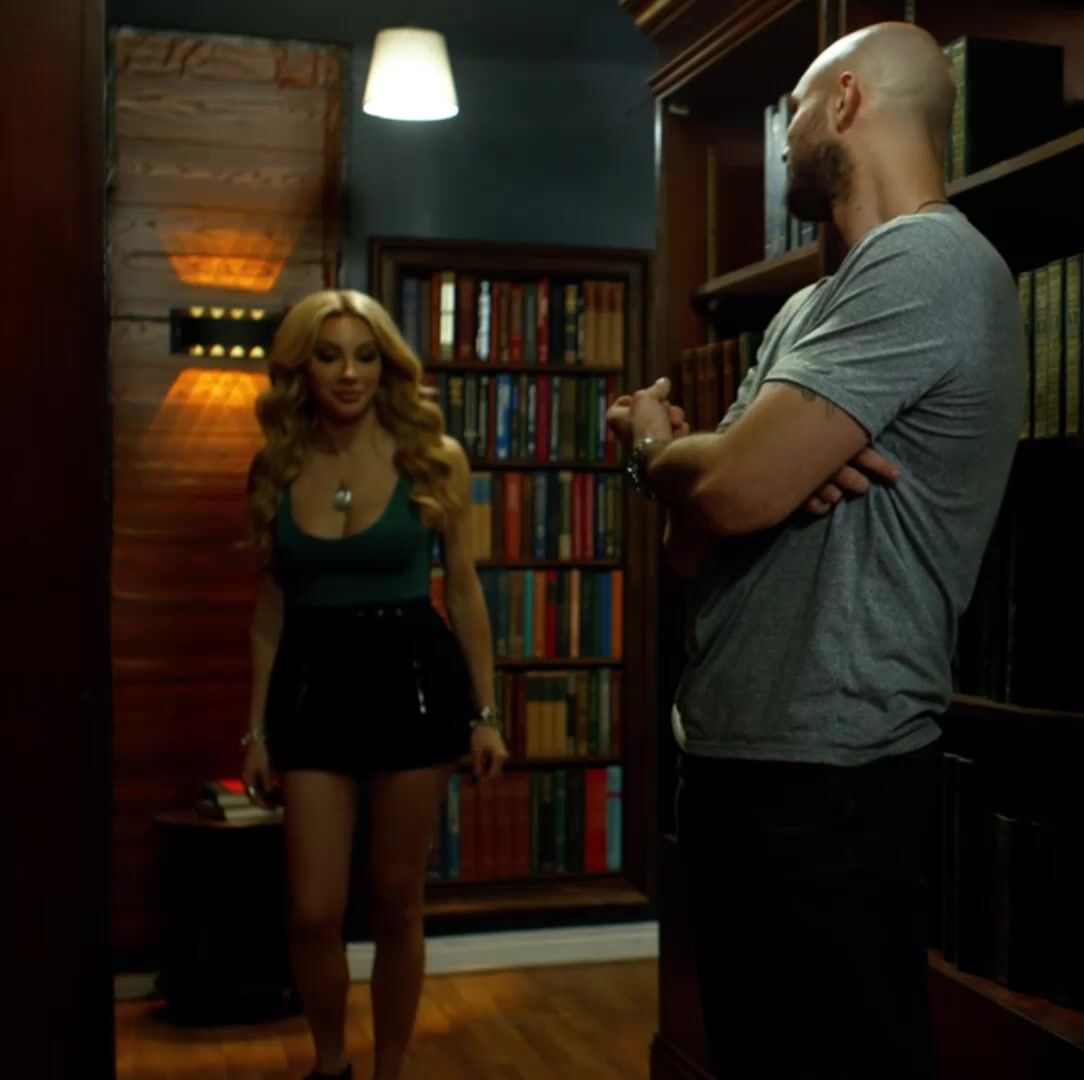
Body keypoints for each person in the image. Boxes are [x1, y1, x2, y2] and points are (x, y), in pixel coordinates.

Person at [607, 20, 1023, 1080]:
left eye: (791, 113)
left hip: (833, 778)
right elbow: (695, 541)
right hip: (739, 768)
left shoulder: (932, 262)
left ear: (843, 102)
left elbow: (732, 489)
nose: (784, 141)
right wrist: (731, 473)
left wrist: (661, 448)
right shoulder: (805, 307)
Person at [239, 289, 509, 1080]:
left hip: (412, 684)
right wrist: (255, 730)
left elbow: (465, 594)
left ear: (387, 366)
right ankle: (331, 1064)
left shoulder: (433, 454)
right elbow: (269, 611)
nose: (349, 373)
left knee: (395, 901)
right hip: (313, 689)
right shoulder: (276, 464)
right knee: (312, 909)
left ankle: (390, 1069)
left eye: (365, 356)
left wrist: (485, 712)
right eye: (329, 356)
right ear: (302, 368)